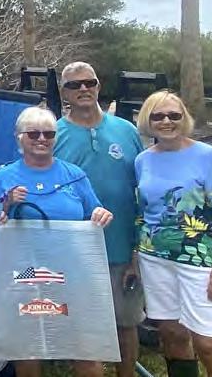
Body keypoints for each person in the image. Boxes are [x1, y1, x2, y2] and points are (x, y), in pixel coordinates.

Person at [0, 105, 114, 377]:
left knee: (84, 349)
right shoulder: (4, 177)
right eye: (33, 134)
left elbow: (95, 211)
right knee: (28, 349)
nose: (42, 139)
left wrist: (101, 215)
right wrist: (6, 203)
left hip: (71, 272)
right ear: (19, 138)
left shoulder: (74, 174)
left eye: (48, 133)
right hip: (23, 273)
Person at [53, 62, 145, 377]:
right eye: (74, 85)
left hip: (122, 245)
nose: (83, 89)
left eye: (89, 82)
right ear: (64, 93)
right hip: (74, 251)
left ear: (98, 86)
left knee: (126, 324)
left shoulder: (126, 130)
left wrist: (137, 248)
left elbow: (142, 187)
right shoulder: (53, 134)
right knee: (82, 325)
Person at [134, 90, 212, 377]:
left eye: (173, 115)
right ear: (148, 120)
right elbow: (142, 210)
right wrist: (135, 255)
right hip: (154, 258)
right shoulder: (143, 160)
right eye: (158, 116)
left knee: (208, 341)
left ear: (184, 117)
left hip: (200, 259)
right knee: (172, 334)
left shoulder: (208, 156)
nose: (166, 121)